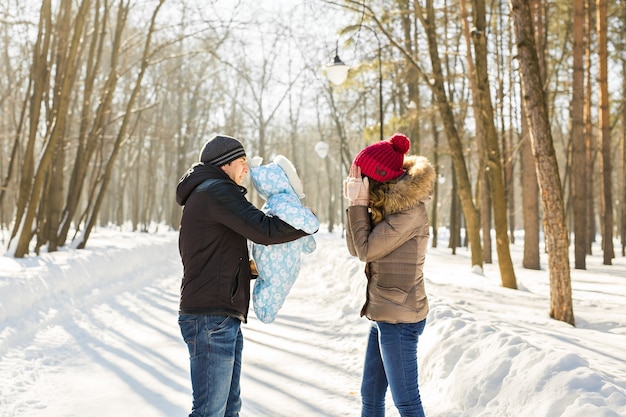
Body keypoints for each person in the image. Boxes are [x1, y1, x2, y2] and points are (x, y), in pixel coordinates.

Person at [175, 134, 316, 417]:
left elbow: (216, 255)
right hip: (210, 318)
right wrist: (305, 222)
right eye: (242, 161)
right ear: (225, 163)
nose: (246, 168)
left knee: (228, 409)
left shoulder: (208, 192)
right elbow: (263, 229)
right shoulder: (216, 191)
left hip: (217, 316)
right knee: (209, 411)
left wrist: (254, 269)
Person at [344, 133, 436, 417]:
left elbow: (365, 249)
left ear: (376, 179)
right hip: (385, 314)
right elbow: (356, 247)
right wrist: (355, 205)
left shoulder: (408, 213)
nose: (357, 182)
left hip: (400, 318)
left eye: (362, 177)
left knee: (406, 401)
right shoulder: (386, 208)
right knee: (370, 397)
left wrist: (358, 205)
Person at [248, 154, 319, 323]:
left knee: (272, 284)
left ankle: (265, 308)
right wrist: (312, 219)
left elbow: (297, 228)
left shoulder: (277, 203)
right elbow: (308, 224)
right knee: (275, 286)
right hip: (278, 262)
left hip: (276, 260)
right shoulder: (284, 203)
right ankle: (265, 309)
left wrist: (308, 242)